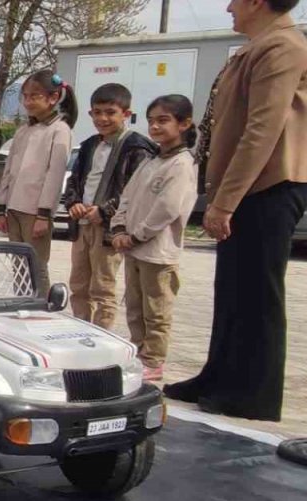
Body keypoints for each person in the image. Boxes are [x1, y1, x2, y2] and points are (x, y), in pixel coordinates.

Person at [165, 0, 307, 421]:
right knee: (232, 289)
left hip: (269, 185)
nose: (228, 6)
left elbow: (263, 129)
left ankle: (253, 394)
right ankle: (220, 375)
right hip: (246, 187)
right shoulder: (257, 47)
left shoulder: (284, 47)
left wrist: (225, 201)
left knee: (258, 293)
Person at [110, 94, 197, 383]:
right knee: (134, 306)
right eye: (151, 121)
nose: (156, 127)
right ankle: (138, 351)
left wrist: (137, 235)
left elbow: (168, 208)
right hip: (133, 248)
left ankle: (153, 359)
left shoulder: (182, 164)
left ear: (184, 124)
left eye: (163, 120)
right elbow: (127, 196)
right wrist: (120, 228)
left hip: (158, 252)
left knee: (156, 310)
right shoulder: (151, 160)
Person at [63, 83, 157, 329]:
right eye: (97, 112)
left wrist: (104, 211)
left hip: (107, 229)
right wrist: (73, 203)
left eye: (110, 112)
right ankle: (79, 331)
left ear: (126, 114)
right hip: (83, 225)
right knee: (79, 285)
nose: (102, 118)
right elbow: (75, 179)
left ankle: (101, 337)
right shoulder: (89, 145)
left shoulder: (136, 148)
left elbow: (134, 190)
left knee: (102, 289)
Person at [0, 70, 77, 292]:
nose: (28, 101)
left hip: (35, 211)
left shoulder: (59, 130)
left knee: (36, 265)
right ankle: (21, 303)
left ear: (53, 98)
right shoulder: (24, 130)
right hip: (14, 207)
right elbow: (9, 170)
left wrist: (44, 214)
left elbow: (55, 174)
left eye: (35, 96)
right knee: (18, 265)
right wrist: (2, 207)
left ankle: (39, 307)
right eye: (25, 96)